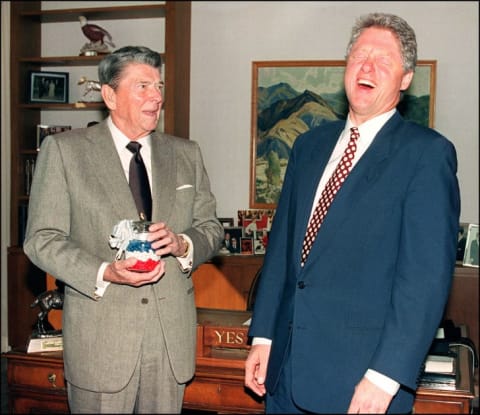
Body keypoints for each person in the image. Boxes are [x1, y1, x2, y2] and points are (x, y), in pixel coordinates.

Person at [244, 13, 460, 414]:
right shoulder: (308, 146)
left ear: (406, 78)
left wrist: (385, 376)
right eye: (360, 55)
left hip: (363, 384)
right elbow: (281, 253)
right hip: (283, 376)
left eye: (384, 60)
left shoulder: (427, 154)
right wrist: (263, 338)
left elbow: (424, 280)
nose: (367, 67)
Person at [24, 46, 224, 413]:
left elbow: (211, 228)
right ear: (110, 95)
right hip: (101, 341)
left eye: (159, 86)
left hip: (169, 342)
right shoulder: (64, 151)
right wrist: (104, 271)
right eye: (143, 86)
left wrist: (183, 244)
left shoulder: (186, 153)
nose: (157, 97)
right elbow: (41, 240)